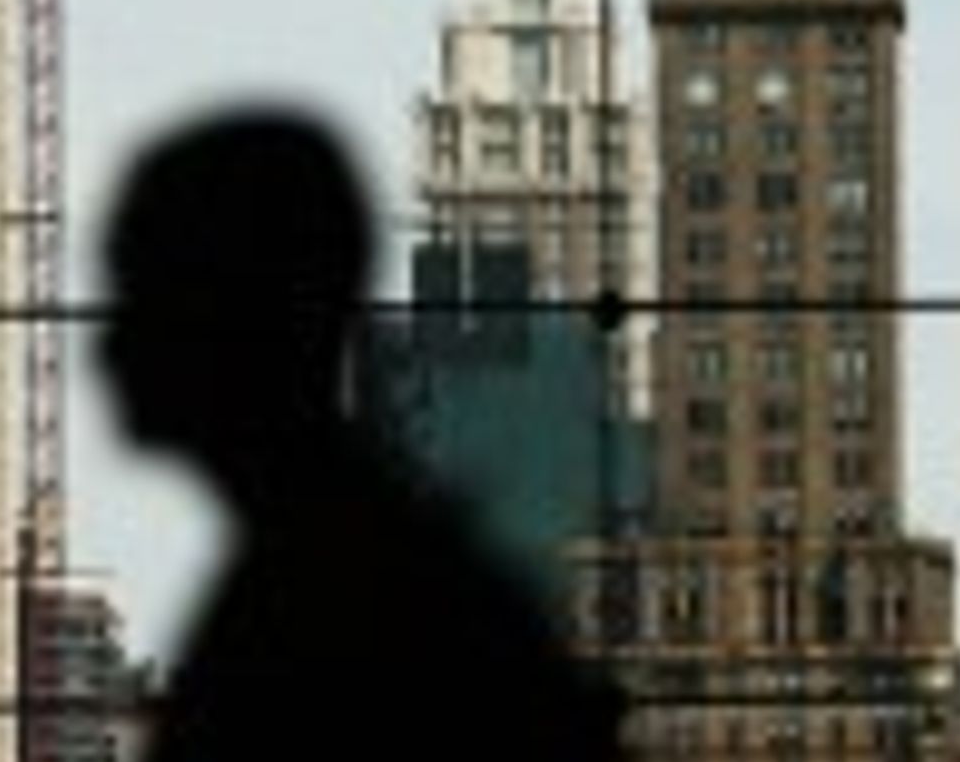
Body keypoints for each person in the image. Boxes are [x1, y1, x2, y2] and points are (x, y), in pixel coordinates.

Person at [98, 109, 624, 762]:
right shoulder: (387, 583)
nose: (107, 343)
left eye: (138, 294)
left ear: (238, 318)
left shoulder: (334, 614)